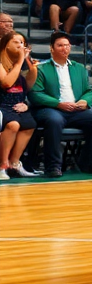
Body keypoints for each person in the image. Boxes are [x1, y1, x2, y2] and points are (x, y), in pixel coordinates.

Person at [31, 32, 92, 177]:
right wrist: (58, 104)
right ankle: (53, 167)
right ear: (52, 48)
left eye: (67, 45)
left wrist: (84, 101)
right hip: (51, 109)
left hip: (76, 109)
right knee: (54, 121)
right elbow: (36, 94)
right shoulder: (41, 68)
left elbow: (88, 90)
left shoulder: (78, 68)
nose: (64, 48)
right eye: (60, 45)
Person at [0, 33, 39, 179]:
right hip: (2, 106)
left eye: (22, 42)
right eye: (16, 42)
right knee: (13, 125)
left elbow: (27, 86)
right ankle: (2, 165)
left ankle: (14, 162)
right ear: (6, 45)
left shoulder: (18, 63)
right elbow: (6, 83)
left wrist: (31, 67)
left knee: (30, 124)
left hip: (17, 105)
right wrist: (20, 61)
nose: (20, 45)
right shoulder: (1, 64)